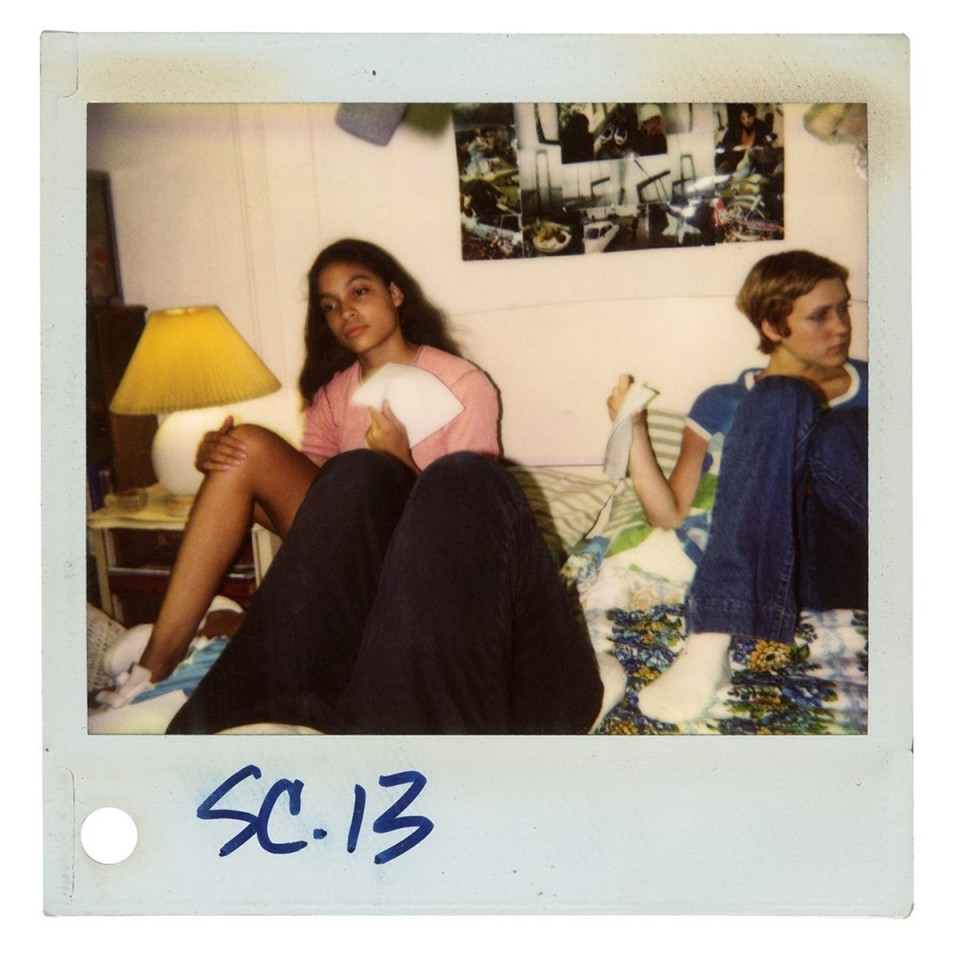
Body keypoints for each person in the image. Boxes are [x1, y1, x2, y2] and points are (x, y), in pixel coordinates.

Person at [105, 238, 500, 701]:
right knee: (243, 447)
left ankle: (223, 627)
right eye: (329, 306)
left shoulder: (462, 383)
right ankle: (154, 667)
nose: (345, 312)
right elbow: (314, 506)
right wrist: (220, 460)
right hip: (348, 563)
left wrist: (401, 462)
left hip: (421, 568)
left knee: (279, 458)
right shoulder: (333, 395)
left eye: (359, 292)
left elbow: (471, 527)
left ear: (395, 294)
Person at [607, 250, 867, 723]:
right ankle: (711, 641)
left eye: (843, 309)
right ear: (773, 327)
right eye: (820, 316)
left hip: (874, 554)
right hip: (786, 574)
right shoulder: (722, 402)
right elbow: (669, 513)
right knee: (780, 396)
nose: (842, 327)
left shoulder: (887, 381)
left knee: (841, 431)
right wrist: (635, 431)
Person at [716, 103, 773, 174]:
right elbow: (724, 144)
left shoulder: (761, 126)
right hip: (735, 160)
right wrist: (735, 147)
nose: (746, 120)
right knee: (722, 169)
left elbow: (768, 140)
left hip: (755, 161)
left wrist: (759, 144)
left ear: (754, 115)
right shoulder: (734, 127)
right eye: (743, 118)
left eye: (749, 116)